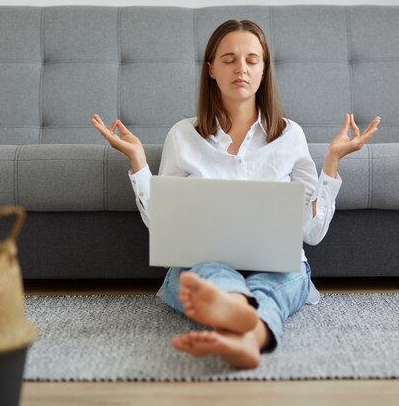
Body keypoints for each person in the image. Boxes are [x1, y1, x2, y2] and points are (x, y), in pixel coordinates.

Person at [91, 19, 380, 369]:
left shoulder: (290, 136)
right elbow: (166, 226)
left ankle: (237, 318)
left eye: (251, 60)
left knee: (281, 280)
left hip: (278, 265)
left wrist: (332, 162)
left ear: (264, 70)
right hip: (203, 263)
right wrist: (138, 163)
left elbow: (311, 232)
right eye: (229, 59)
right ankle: (247, 329)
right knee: (208, 275)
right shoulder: (183, 135)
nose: (240, 68)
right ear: (211, 69)